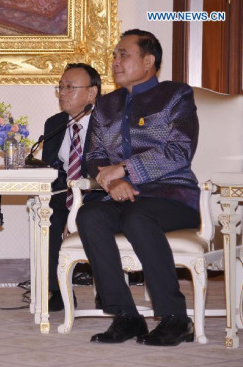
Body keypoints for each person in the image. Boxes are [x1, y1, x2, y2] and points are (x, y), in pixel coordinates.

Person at [77, 29, 199, 346]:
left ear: (148, 61)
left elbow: (179, 151)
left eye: (123, 54)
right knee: (89, 216)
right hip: (120, 194)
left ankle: (176, 318)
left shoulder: (176, 96)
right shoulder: (105, 105)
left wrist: (127, 169)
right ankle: (127, 316)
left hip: (172, 194)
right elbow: (94, 155)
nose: (115, 61)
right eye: (114, 55)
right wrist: (114, 180)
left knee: (138, 218)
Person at [42, 63, 101, 312]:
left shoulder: (106, 123)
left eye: (70, 87)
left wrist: (78, 203)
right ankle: (57, 290)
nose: (63, 93)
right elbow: (50, 169)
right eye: (61, 87)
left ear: (91, 93)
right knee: (48, 215)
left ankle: (107, 289)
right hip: (64, 192)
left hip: (97, 193)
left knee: (94, 218)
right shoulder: (54, 124)